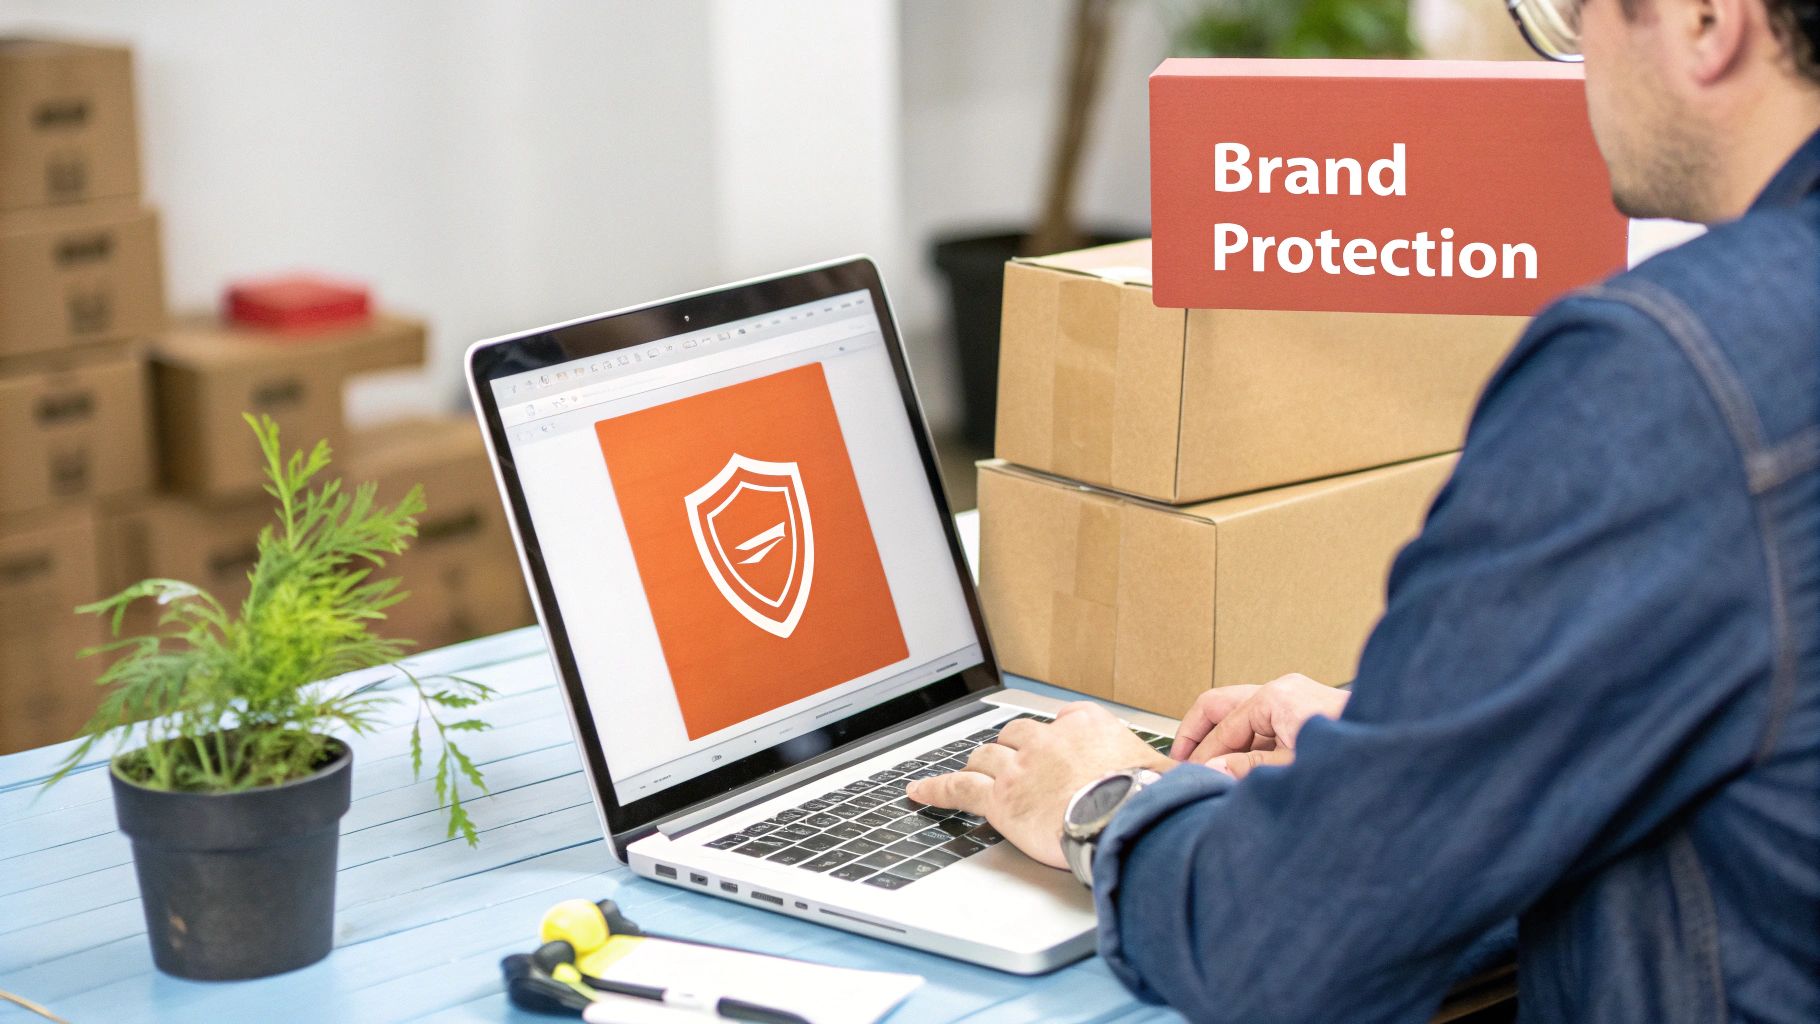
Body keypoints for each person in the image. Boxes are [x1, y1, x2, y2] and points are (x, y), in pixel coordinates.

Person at [906, 0, 1820, 1018]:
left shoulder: (1660, 378)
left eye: (1574, 12)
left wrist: (1106, 800)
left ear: (1705, 20)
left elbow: (1282, 944)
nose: (1577, 60)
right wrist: (1431, 742)